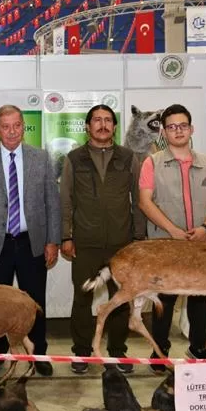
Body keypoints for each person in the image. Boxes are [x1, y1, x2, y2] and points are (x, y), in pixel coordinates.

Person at [0, 104, 60, 377]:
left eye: (16, 125)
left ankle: (38, 353)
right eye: (5, 126)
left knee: (34, 302)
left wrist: (53, 240)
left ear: (23, 127)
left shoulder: (40, 158)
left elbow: (52, 204)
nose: (11, 131)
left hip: (32, 242)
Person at [138, 104, 206, 372]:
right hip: (166, 245)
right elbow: (145, 202)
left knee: (200, 298)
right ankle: (159, 350)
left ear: (191, 129)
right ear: (163, 132)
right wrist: (173, 231)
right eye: (172, 127)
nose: (178, 131)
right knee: (164, 299)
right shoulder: (151, 162)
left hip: (200, 245)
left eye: (183, 126)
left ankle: (198, 347)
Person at [60, 105, 146, 375]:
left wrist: (139, 238)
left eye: (108, 120)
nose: (102, 125)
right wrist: (66, 236)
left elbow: (139, 200)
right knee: (82, 298)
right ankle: (82, 352)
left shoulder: (129, 157)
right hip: (85, 243)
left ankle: (118, 353)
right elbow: (66, 200)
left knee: (120, 299)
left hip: (122, 245)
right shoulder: (74, 159)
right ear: (88, 126)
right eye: (97, 120)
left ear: (115, 127)